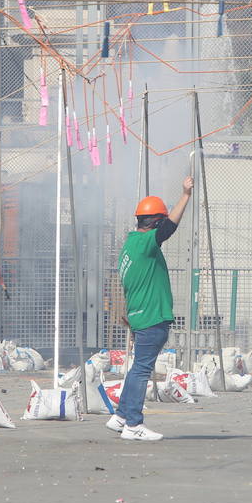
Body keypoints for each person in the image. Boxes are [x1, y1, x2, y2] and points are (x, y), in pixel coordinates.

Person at [107, 176, 193, 441]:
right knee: (142, 369)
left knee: (137, 368)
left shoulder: (129, 247)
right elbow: (169, 228)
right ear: (155, 221)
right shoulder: (146, 243)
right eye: (160, 221)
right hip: (152, 317)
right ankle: (133, 424)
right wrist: (186, 195)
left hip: (139, 315)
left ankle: (121, 416)